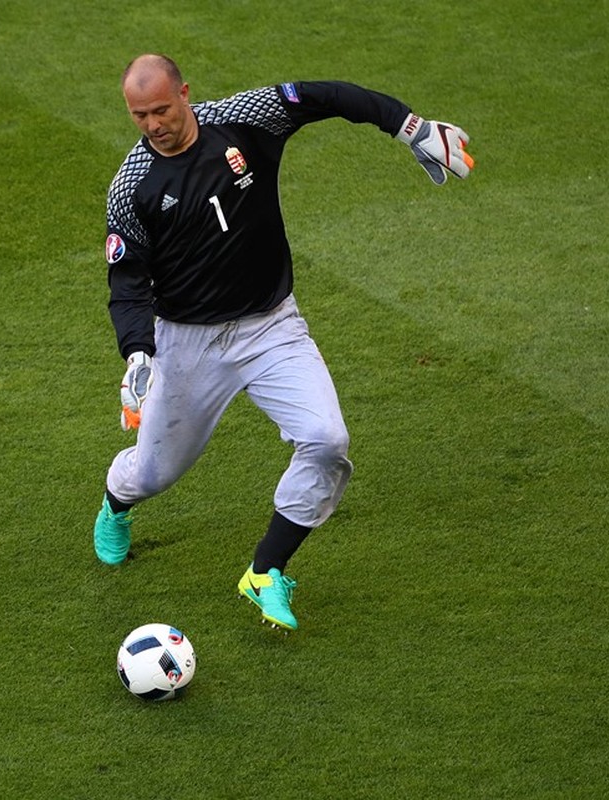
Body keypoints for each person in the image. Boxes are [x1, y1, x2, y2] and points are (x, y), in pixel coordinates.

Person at [93, 54, 473, 632]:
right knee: (154, 474)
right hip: (188, 343)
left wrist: (410, 127)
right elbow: (126, 285)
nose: (152, 125)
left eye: (162, 110)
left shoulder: (245, 118)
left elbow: (329, 95)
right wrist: (138, 353)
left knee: (326, 439)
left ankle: (266, 571)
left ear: (185, 94)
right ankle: (118, 503)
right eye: (139, 115)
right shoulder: (132, 188)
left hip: (271, 326)